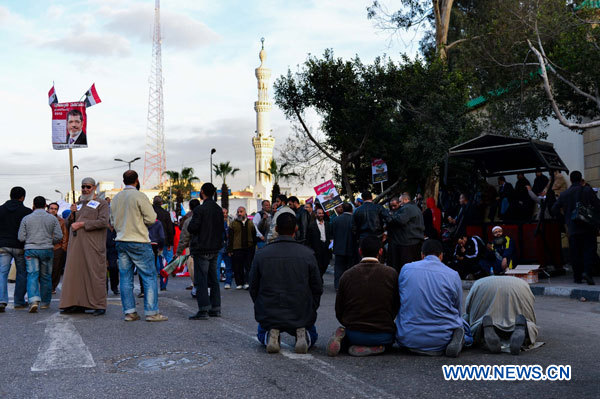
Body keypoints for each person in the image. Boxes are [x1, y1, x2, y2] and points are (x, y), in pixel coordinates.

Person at [249, 213, 323, 354]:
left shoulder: (262, 254)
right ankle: (304, 336)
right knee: (312, 334)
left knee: (261, 332)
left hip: (269, 311)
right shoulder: (307, 254)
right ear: (296, 229)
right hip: (301, 311)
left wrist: (261, 305)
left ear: (276, 228)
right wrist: (311, 308)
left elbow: (253, 287)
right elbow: (317, 287)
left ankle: (270, 335)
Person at [396, 239, 472, 357]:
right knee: (465, 326)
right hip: (441, 340)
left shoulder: (406, 269)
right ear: (441, 256)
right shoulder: (453, 274)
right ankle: (464, 339)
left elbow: (401, 297)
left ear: (422, 255)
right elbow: (458, 309)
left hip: (407, 338)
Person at [327, 236, 399, 357]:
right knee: (390, 340)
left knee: (349, 335)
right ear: (380, 251)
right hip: (383, 334)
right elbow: (396, 305)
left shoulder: (347, 275)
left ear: (360, 251)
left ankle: (345, 340)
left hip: (355, 333)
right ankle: (378, 347)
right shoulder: (391, 274)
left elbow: (339, 310)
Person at [110, 170, 167, 322]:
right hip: (139, 240)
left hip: (121, 240)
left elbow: (112, 221)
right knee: (148, 276)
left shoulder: (116, 198)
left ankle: (129, 312)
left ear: (123, 181)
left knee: (125, 277)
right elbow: (151, 218)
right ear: (136, 181)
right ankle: (151, 312)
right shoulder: (139, 196)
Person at [59, 178, 110, 316]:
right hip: (76, 245)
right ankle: (76, 303)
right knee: (75, 274)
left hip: (93, 245)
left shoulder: (102, 203)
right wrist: (71, 214)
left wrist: (82, 224)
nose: (85, 189)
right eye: (83, 187)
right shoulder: (78, 204)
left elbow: (104, 222)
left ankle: (98, 305)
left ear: (94, 188)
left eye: (88, 187)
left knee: (95, 273)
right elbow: (69, 224)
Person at [464, 276, 538, 355]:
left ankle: (483, 326)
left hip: (487, 314)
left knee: (468, 321)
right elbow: (531, 302)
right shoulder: (523, 284)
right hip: (519, 289)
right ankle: (524, 327)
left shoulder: (478, 283)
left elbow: (468, 307)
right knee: (529, 322)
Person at [552, 170, 600, 285]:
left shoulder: (564, 194)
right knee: (589, 251)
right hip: (588, 227)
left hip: (573, 228)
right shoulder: (588, 190)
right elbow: (598, 207)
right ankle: (588, 273)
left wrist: (565, 219)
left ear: (571, 180)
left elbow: (554, 209)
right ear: (581, 179)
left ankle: (577, 277)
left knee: (575, 253)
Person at [17, 196, 63, 313]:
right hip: (47, 249)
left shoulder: (26, 218)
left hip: (31, 249)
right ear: (45, 206)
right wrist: (49, 241)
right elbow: (59, 236)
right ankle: (45, 303)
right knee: (46, 276)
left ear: (34, 204)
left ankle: (33, 301)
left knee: (32, 275)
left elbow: (21, 237)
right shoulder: (52, 219)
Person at [187, 183, 224, 320]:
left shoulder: (200, 210)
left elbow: (192, 227)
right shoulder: (218, 209)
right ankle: (216, 308)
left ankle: (203, 309)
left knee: (201, 279)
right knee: (213, 278)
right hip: (215, 248)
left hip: (202, 248)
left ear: (202, 192)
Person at [0, 186, 32, 312]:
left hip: (3, 246)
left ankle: (1, 300)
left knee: (2, 274)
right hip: (20, 246)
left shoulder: (1, 209)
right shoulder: (27, 212)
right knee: (21, 273)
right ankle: (19, 301)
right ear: (22, 197)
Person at [387, 193, 425, 273]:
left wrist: (389, 217)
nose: (399, 204)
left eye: (400, 202)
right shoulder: (415, 208)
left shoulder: (407, 208)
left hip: (408, 244)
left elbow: (400, 220)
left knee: (407, 269)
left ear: (406, 200)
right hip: (414, 242)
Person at [227, 206, 257, 290]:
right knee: (237, 266)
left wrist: (253, 246)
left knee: (248, 266)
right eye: (238, 212)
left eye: (241, 211)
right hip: (237, 248)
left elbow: (254, 235)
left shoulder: (250, 223)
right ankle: (239, 283)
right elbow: (230, 237)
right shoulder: (233, 223)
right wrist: (230, 249)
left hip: (249, 248)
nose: (239, 213)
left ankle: (247, 282)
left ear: (245, 212)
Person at [176, 199, 201, 294]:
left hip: (191, 247)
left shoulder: (187, 218)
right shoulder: (205, 217)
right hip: (206, 247)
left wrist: (178, 252)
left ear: (190, 207)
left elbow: (184, 237)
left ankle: (196, 286)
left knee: (192, 268)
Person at [152, 196, 175, 289]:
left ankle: (151, 285)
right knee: (163, 263)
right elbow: (170, 229)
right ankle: (163, 284)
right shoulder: (166, 214)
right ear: (161, 203)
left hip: (151, 240)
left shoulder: (150, 213)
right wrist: (170, 243)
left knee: (152, 263)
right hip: (164, 240)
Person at [331, 202, 355, 290]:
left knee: (338, 269)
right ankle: (349, 286)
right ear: (351, 210)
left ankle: (338, 286)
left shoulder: (335, 220)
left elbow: (332, 233)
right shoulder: (354, 219)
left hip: (339, 248)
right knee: (350, 268)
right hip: (351, 248)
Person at [47, 202, 68, 293]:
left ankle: (53, 287)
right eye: (51, 208)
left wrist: (63, 248)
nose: (53, 210)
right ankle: (45, 286)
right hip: (45, 246)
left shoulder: (61, 221)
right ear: (48, 209)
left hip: (57, 248)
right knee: (45, 268)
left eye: (55, 209)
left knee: (56, 269)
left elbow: (65, 235)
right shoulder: (43, 218)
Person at [306, 208, 332, 277]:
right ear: (316, 214)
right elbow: (308, 239)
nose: (321, 215)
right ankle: (319, 279)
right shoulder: (312, 225)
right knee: (318, 265)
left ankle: (320, 277)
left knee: (325, 264)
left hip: (326, 248)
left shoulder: (327, 224)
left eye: (322, 213)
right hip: (317, 248)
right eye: (319, 213)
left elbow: (330, 235)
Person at [217, 207, 234, 288]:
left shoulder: (230, 222)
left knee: (229, 266)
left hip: (227, 247)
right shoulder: (216, 222)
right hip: (219, 247)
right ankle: (216, 283)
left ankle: (228, 282)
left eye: (226, 213)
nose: (225, 215)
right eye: (223, 213)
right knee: (217, 266)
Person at [105, 224, 119, 295]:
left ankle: (115, 287)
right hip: (105, 252)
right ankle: (105, 288)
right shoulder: (104, 231)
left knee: (114, 269)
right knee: (104, 271)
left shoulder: (116, 231)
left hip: (114, 252)